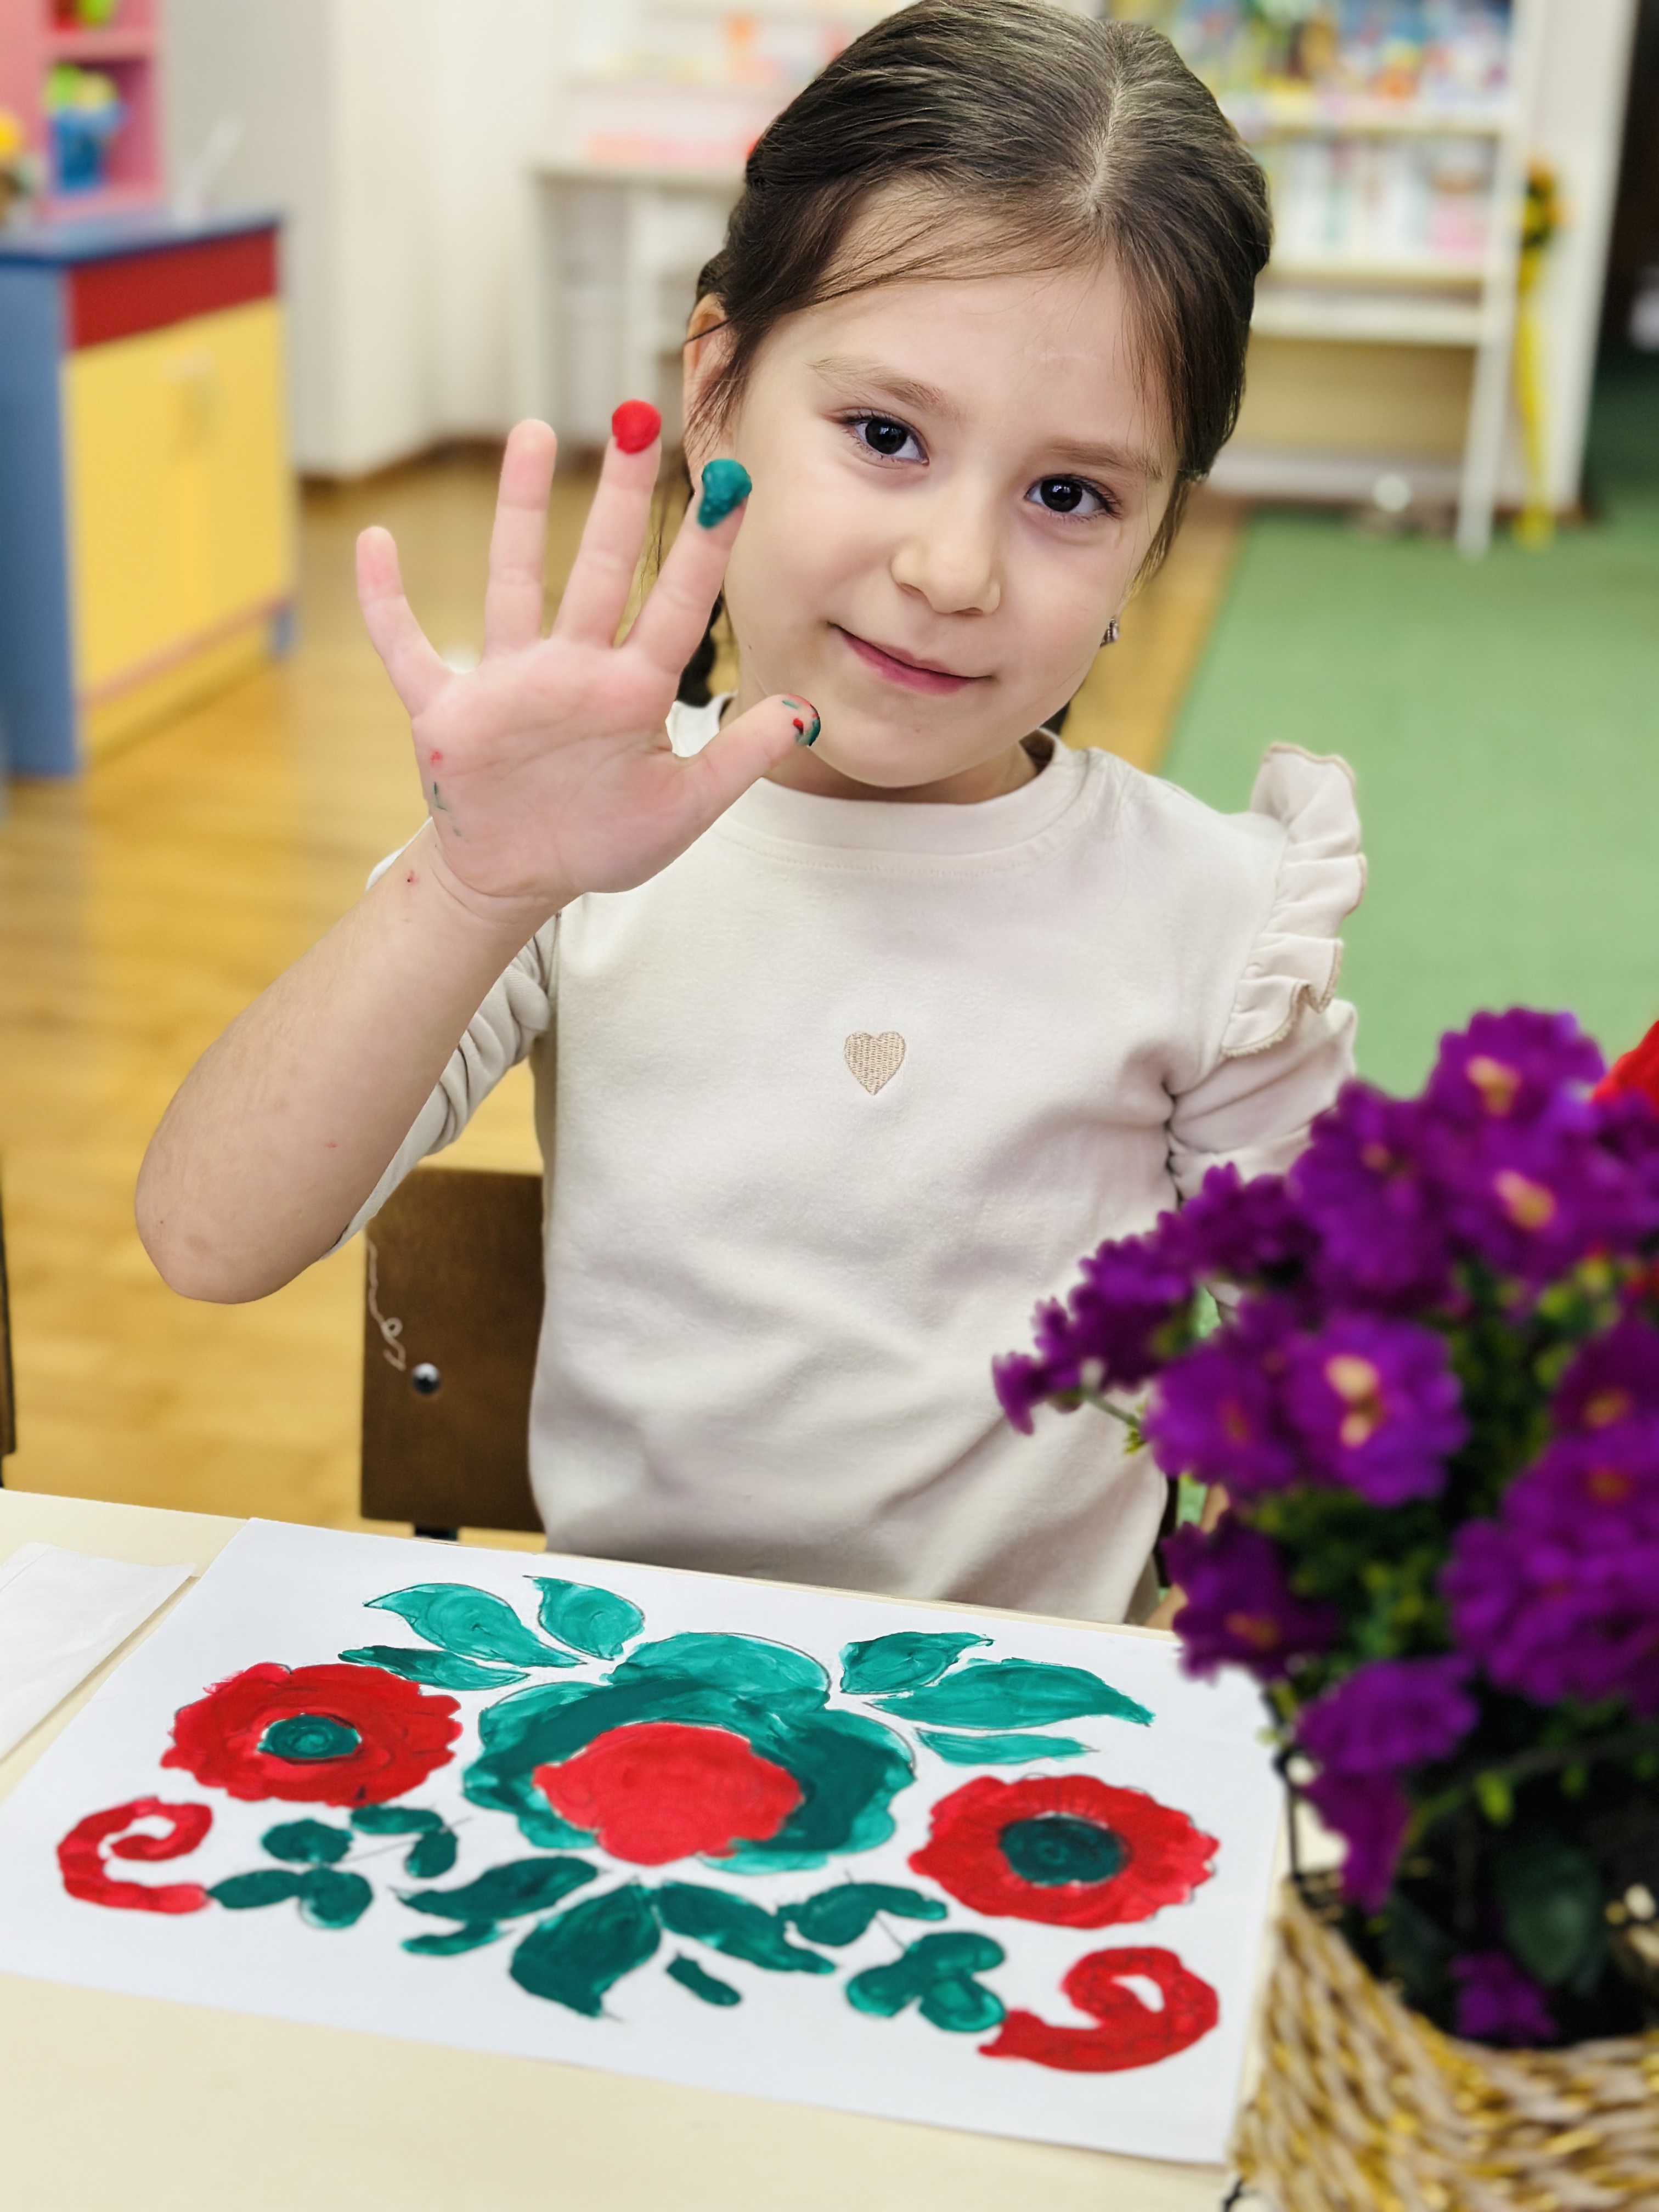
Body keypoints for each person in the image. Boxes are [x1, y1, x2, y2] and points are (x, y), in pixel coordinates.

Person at [137, 2, 1364, 1626]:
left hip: (1034, 1741)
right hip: (632, 1709)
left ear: (1157, 534)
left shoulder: (1214, 914)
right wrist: (476, 884)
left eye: (1069, 494)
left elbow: (1350, 1404)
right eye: (886, 435)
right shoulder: (577, 845)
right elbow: (209, 1240)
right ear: (717, 392)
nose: (953, 570)